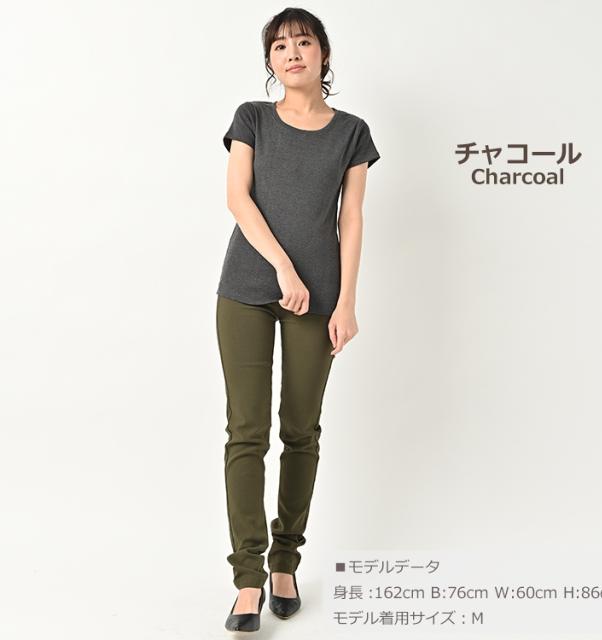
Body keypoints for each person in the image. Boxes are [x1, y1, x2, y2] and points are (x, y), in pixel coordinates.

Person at [217, 8, 380, 632]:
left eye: (303, 42)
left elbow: (352, 218)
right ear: (270, 60)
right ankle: (248, 578)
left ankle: (285, 561)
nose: (292, 53)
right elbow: (237, 198)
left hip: (320, 299)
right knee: (246, 431)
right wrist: (285, 269)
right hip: (246, 290)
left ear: (323, 54)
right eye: (280, 45)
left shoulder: (352, 133)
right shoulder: (252, 119)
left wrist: (347, 302)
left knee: (301, 430)